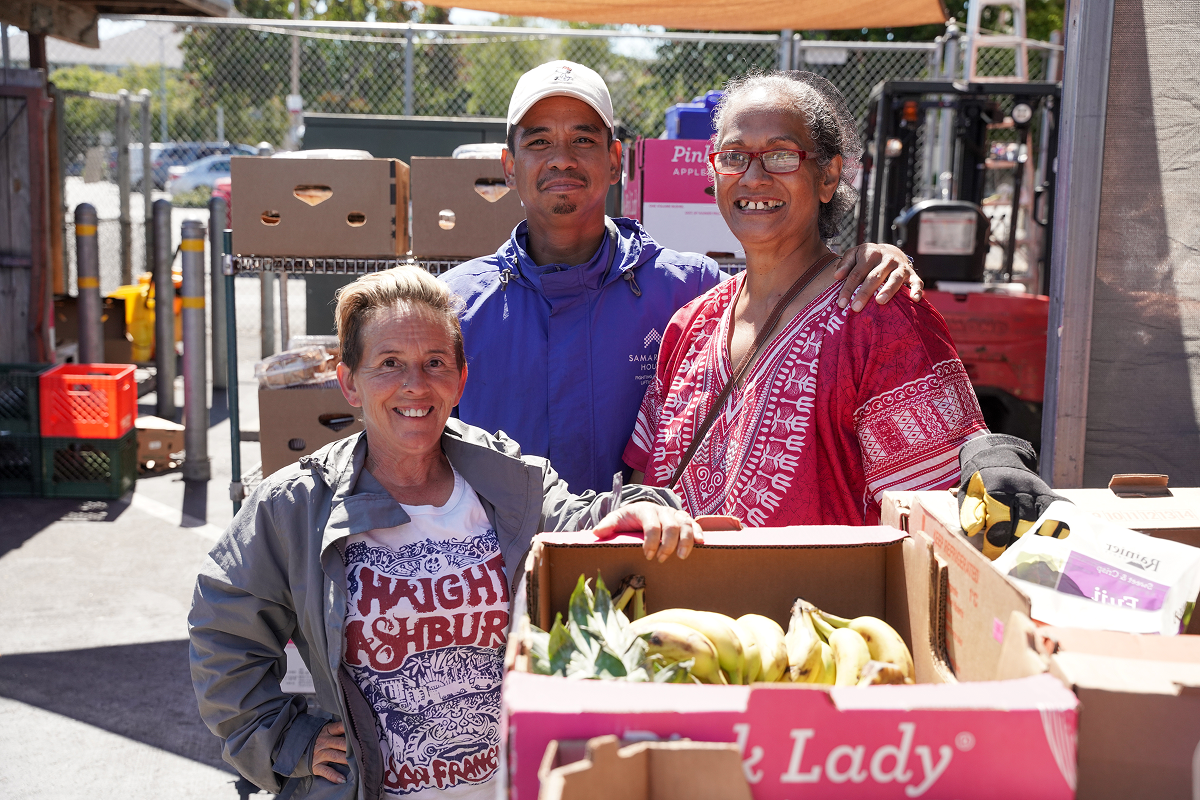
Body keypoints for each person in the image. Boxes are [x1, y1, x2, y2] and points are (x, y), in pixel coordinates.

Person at [189, 267, 701, 799]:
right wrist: (287, 740)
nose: (415, 384)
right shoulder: (297, 504)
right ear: (349, 384)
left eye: (435, 363)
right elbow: (223, 632)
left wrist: (643, 505)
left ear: (459, 380)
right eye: (388, 364)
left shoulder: (508, 480)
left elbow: (580, 520)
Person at [440, 60, 925, 495]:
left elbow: (781, 279)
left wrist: (871, 256)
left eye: (583, 139)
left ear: (615, 163)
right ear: (509, 167)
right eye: (539, 140)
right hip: (495, 579)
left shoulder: (687, 290)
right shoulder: (458, 306)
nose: (561, 158)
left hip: (635, 575)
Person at [625, 71, 990, 527]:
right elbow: (645, 487)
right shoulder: (690, 326)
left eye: (780, 155)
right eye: (735, 156)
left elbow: (939, 521)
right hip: (678, 599)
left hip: (822, 600)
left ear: (828, 176)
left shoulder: (880, 317)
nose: (753, 178)